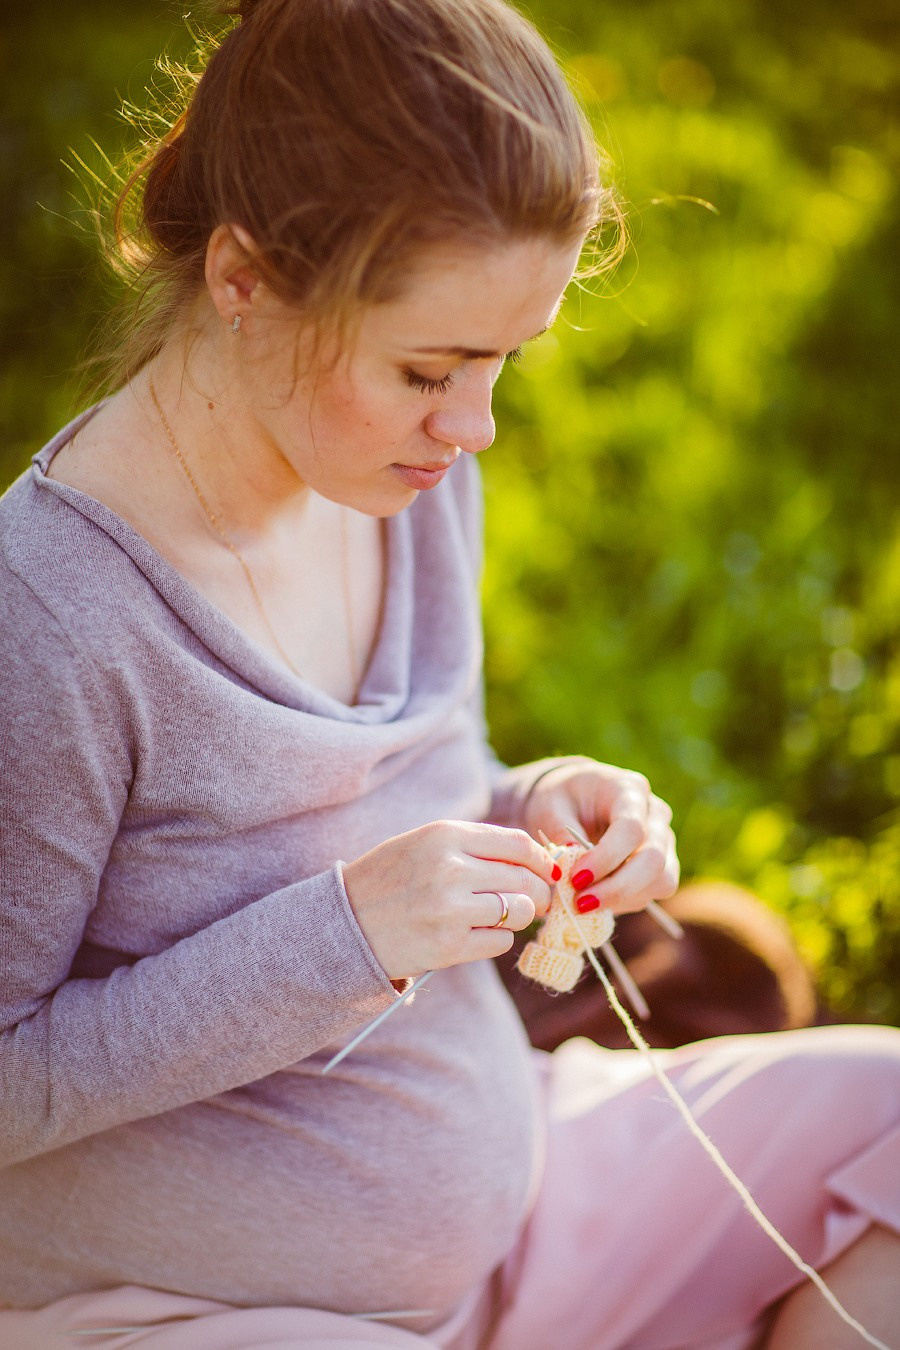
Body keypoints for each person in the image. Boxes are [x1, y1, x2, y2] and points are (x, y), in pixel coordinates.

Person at [1, 1, 897, 1346]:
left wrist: (534, 807)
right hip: (191, 1307)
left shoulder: (394, 473)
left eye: (502, 363)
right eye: (430, 368)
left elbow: (422, 782)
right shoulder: (49, 621)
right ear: (244, 280)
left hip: (527, 1194)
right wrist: (343, 937)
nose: (474, 427)